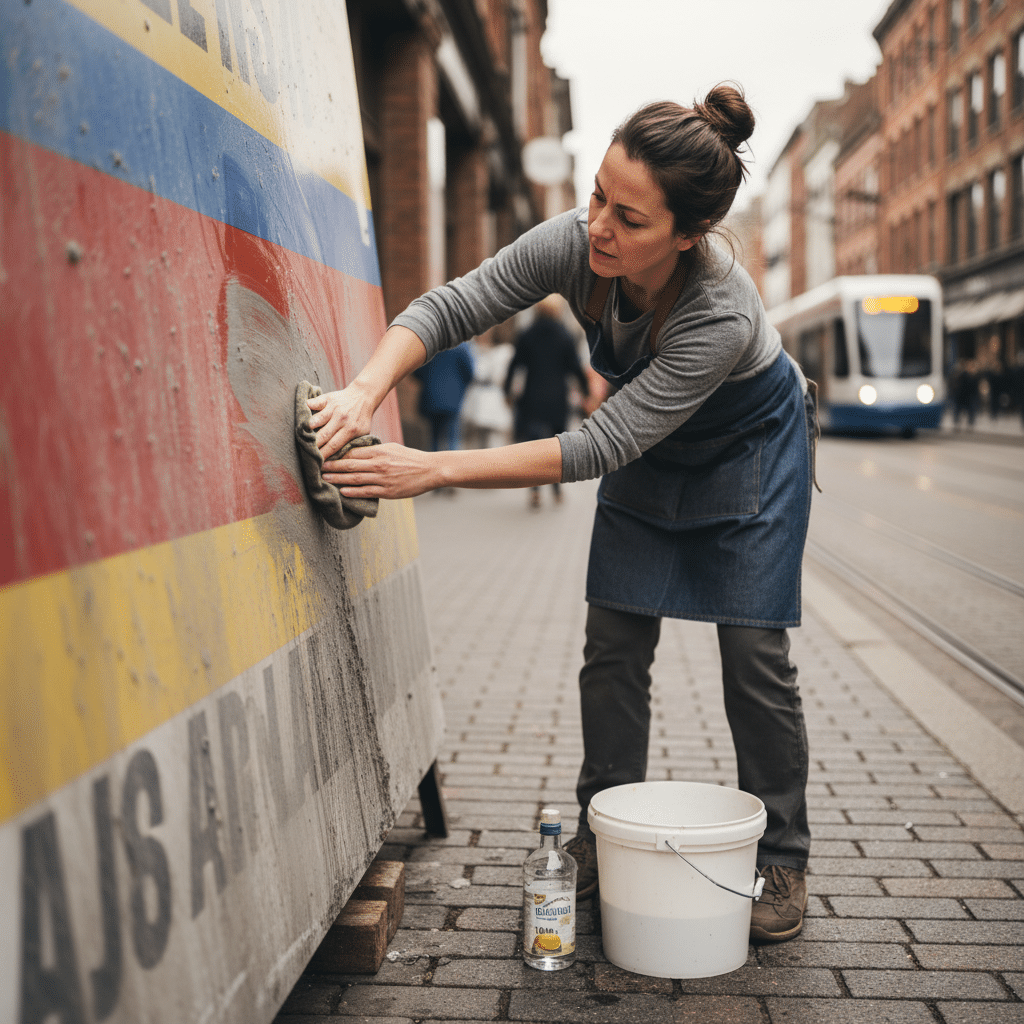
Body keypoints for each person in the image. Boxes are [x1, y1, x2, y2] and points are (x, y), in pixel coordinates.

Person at [307, 85, 817, 944]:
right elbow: (452, 305)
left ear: (687, 235)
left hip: (750, 453)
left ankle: (785, 858)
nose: (599, 227)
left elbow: (597, 444)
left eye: (629, 217)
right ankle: (598, 829)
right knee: (613, 644)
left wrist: (433, 468)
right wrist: (366, 388)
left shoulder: (719, 311)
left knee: (753, 653)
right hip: (653, 446)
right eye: (595, 196)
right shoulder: (579, 245)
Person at [505, 295, 591, 508]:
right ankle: (556, 488)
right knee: (558, 444)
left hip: (533, 396)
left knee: (534, 443)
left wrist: (507, 389)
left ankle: (535, 490)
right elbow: (575, 367)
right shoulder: (565, 335)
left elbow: (515, 364)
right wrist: (586, 390)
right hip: (557, 398)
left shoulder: (527, 334)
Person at [412, 341, 475, 453]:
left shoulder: (429, 346)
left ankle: (432, 464)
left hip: (431, 398)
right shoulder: (462, 346)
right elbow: (470, 372)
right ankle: (454, 466)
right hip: (453, 398)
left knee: (433, 438)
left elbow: (416, 370)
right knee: (452, 437)